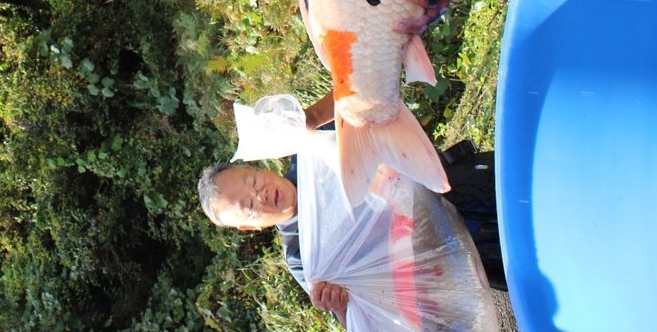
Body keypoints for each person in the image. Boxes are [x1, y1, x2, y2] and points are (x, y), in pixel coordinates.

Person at [197, 93, 505, 327]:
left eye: (253, 181)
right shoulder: (303, 257)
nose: (262, 195)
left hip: (460, 186)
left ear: (260, 167)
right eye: (250, 206)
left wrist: (309, 119)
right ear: (250, 227)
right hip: (460, 256)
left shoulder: (312, 151)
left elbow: (357, 91)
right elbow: (365, 315)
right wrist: (339, 306)